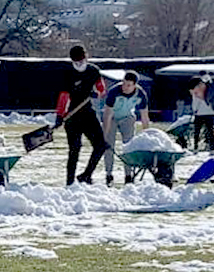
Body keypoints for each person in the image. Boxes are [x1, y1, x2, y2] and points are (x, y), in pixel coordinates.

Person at [55, 43, 107, 186]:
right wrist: (60, 115)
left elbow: (102, 91)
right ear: (72, 61)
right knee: (75, 149)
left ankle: (86, 175)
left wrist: (96, 93)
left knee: (101, 145)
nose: (80, 64)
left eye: (82, 60)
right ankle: (70, 182)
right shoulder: (67, 73)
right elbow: (63, 96)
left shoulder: (94, 71)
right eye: (76, 62)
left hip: (88, 114)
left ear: (86, 58)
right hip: (72, 117)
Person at [102, 71, 151, 186]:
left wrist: (146, 134)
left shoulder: (140, 94)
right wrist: (105, 133)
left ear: (135, 85)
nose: (125, 87)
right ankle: (109, 174)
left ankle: (128, 175)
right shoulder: (114, 92)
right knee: (109, 146)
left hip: (127, 118)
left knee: (128, 145)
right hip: (112, 117)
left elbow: (144, 116)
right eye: (124, 83)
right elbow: (107, 114)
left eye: (129, 85)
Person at [191, 74, 214, 153]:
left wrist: (194, 110)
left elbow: (195, 102)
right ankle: (212, 148)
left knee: (197, 131)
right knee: (210, 131)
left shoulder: (196, 90)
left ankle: (196, 147)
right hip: (210, 113)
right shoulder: (210, 89)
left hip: (199, 113)